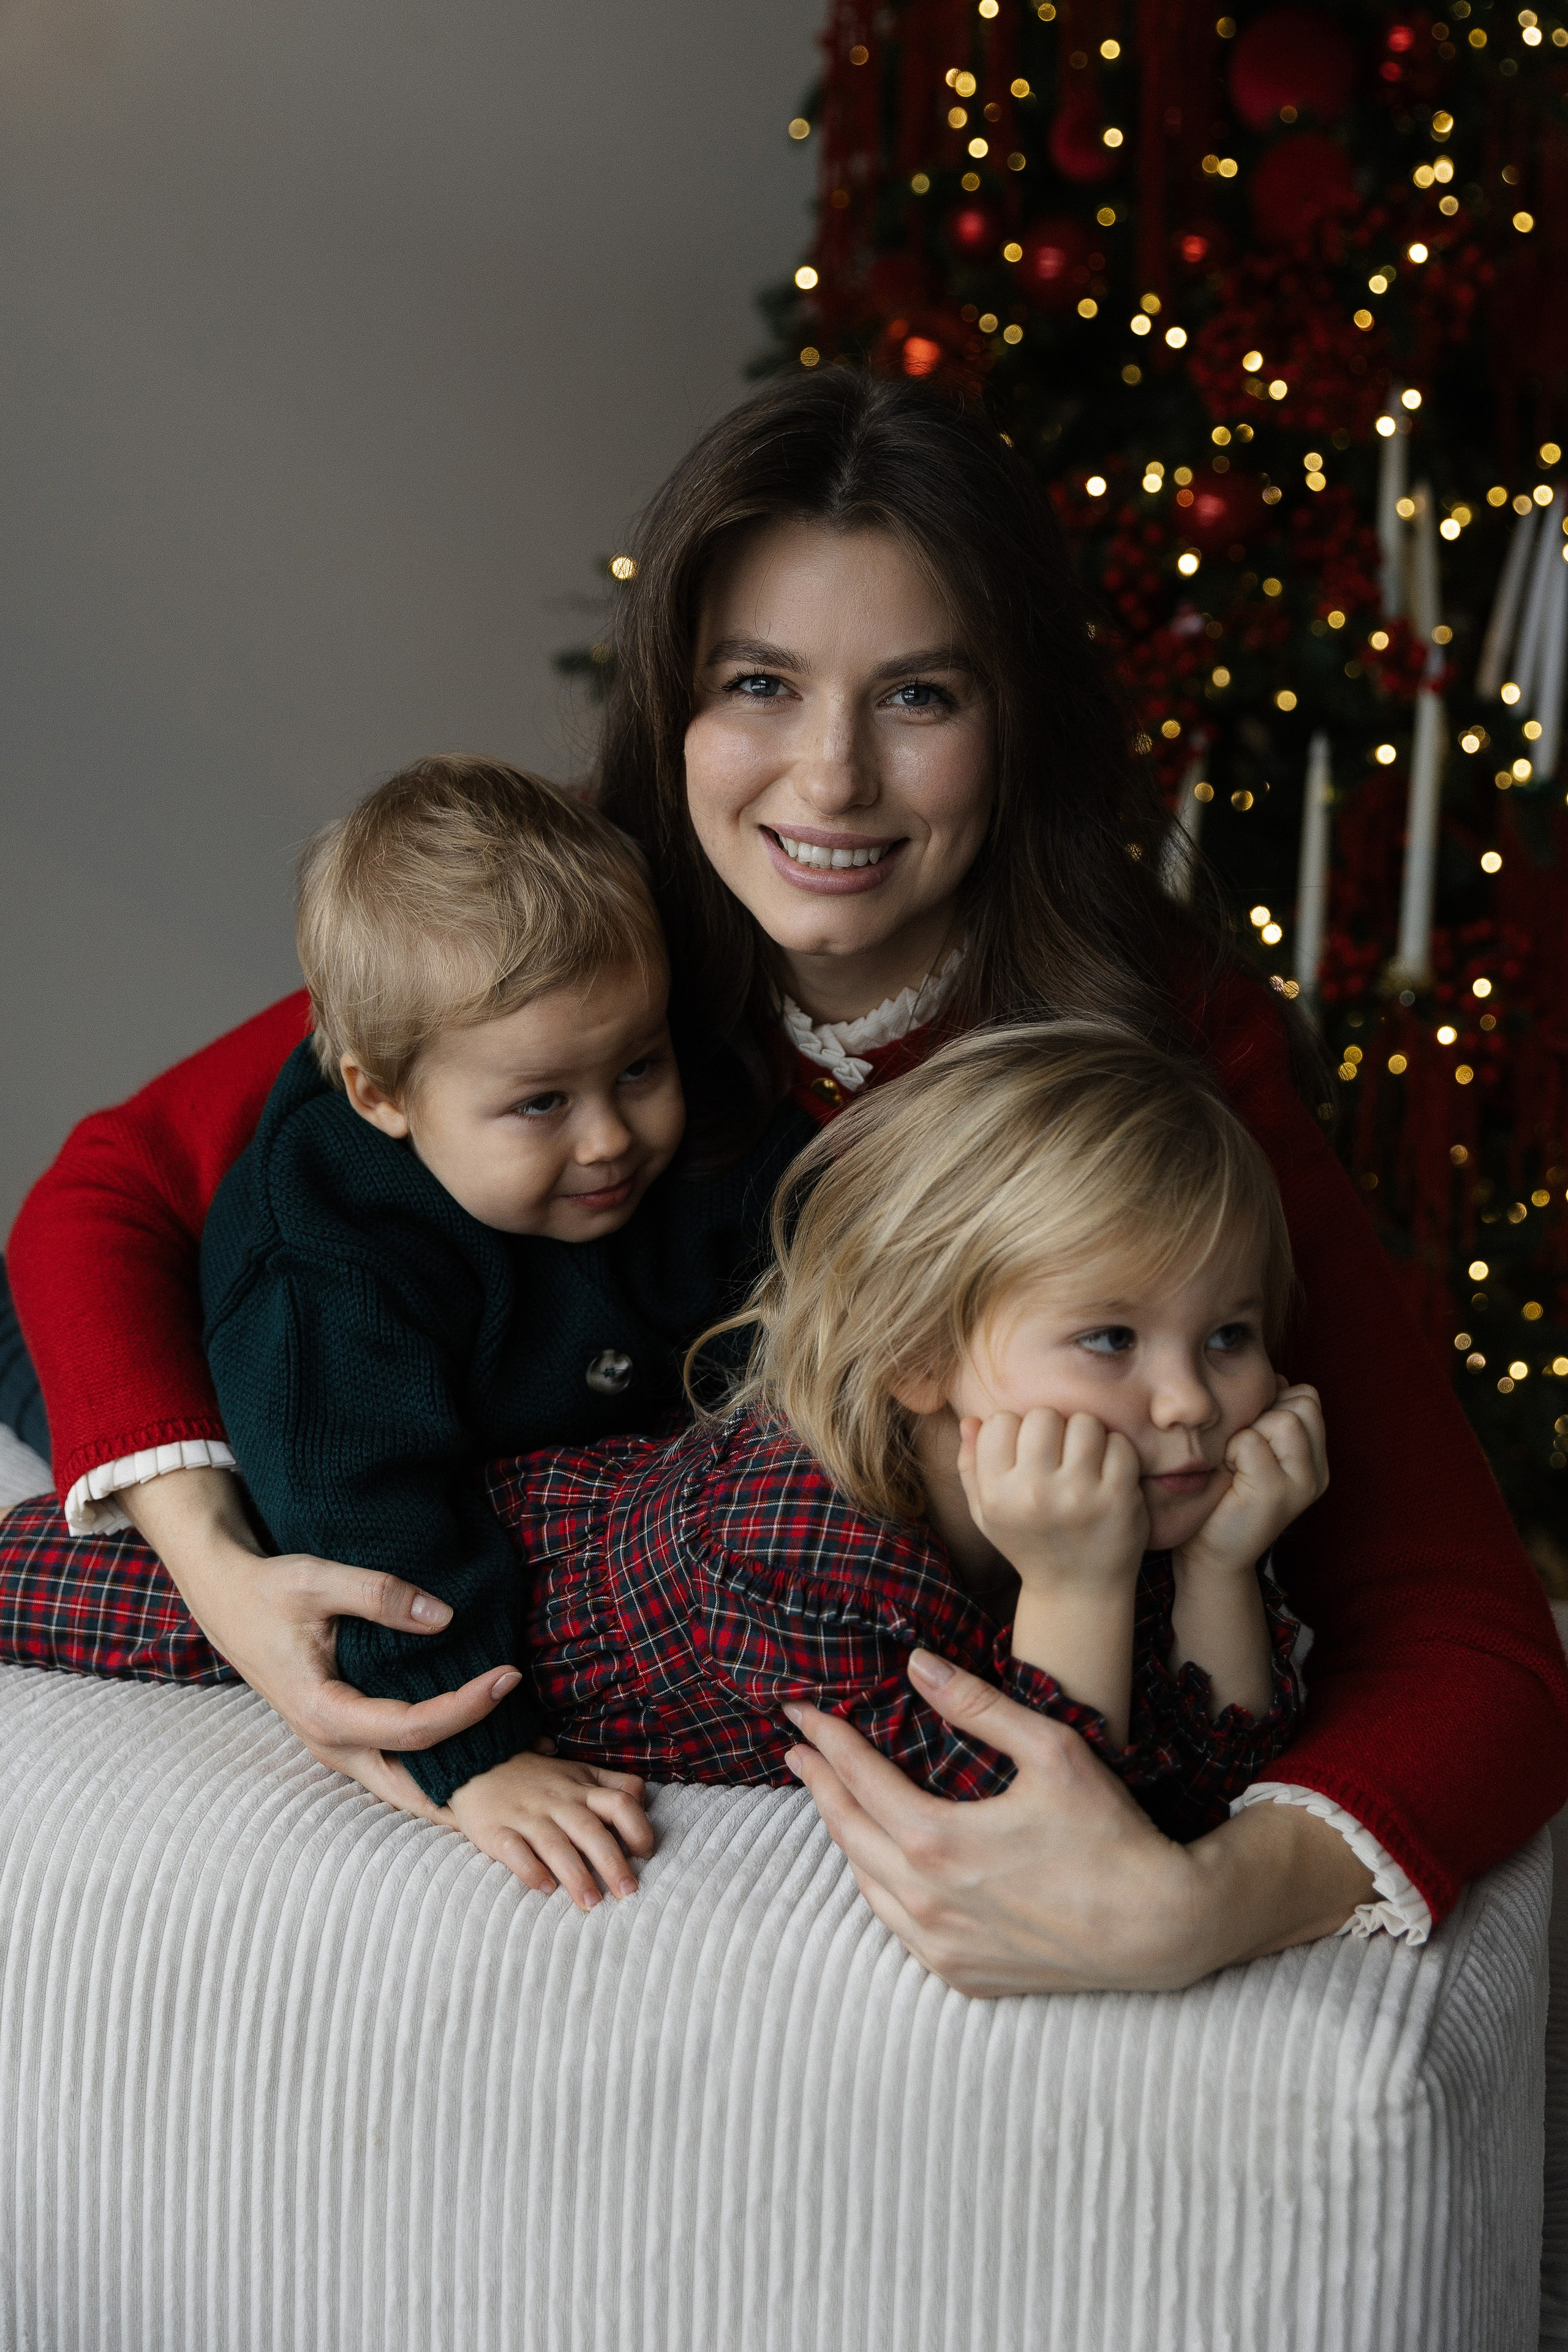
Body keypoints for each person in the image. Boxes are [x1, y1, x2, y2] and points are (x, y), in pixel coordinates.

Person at [3, 368, 1564, 1991]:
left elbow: (1473, 1630)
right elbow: (113, 1189)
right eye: (758, 683)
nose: (827, 783)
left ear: (1015, 717)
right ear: (672, 699)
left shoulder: (1158, 1048)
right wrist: (218, 1567)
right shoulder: (580, 955)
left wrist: (1215, 1902)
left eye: (920, 697)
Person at [488, 1023, 1313, 1841]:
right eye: (1111, 1339)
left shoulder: (1108, 1491)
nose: (1190, 1404)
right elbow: (1052, 1846)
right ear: (918, 1357)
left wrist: (1221, 1566)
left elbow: (1209, 1796)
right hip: (482, 1594)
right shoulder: (798, 1554)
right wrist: (1077, 1592)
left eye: (1227, 1337)